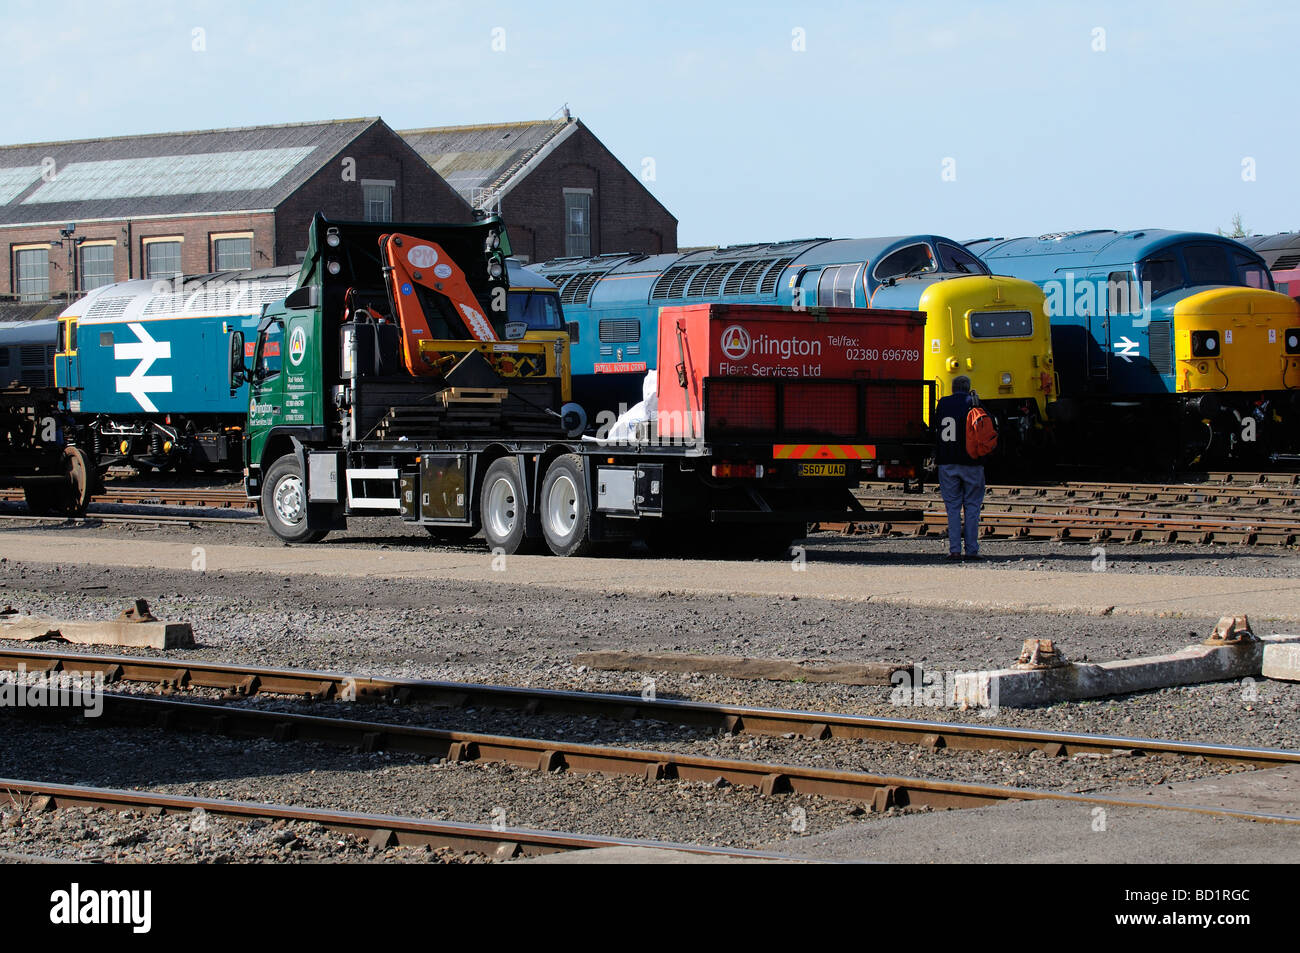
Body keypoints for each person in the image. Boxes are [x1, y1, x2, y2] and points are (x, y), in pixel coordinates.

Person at [934, 376, 986, 561]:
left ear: (952, 388)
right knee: (972, 507)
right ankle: (972, 550)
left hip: (947, 461)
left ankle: (954, 550)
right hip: (972, 462)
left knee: (953, 508)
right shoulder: (973, 403)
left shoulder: (943, 403)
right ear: (968, 387)